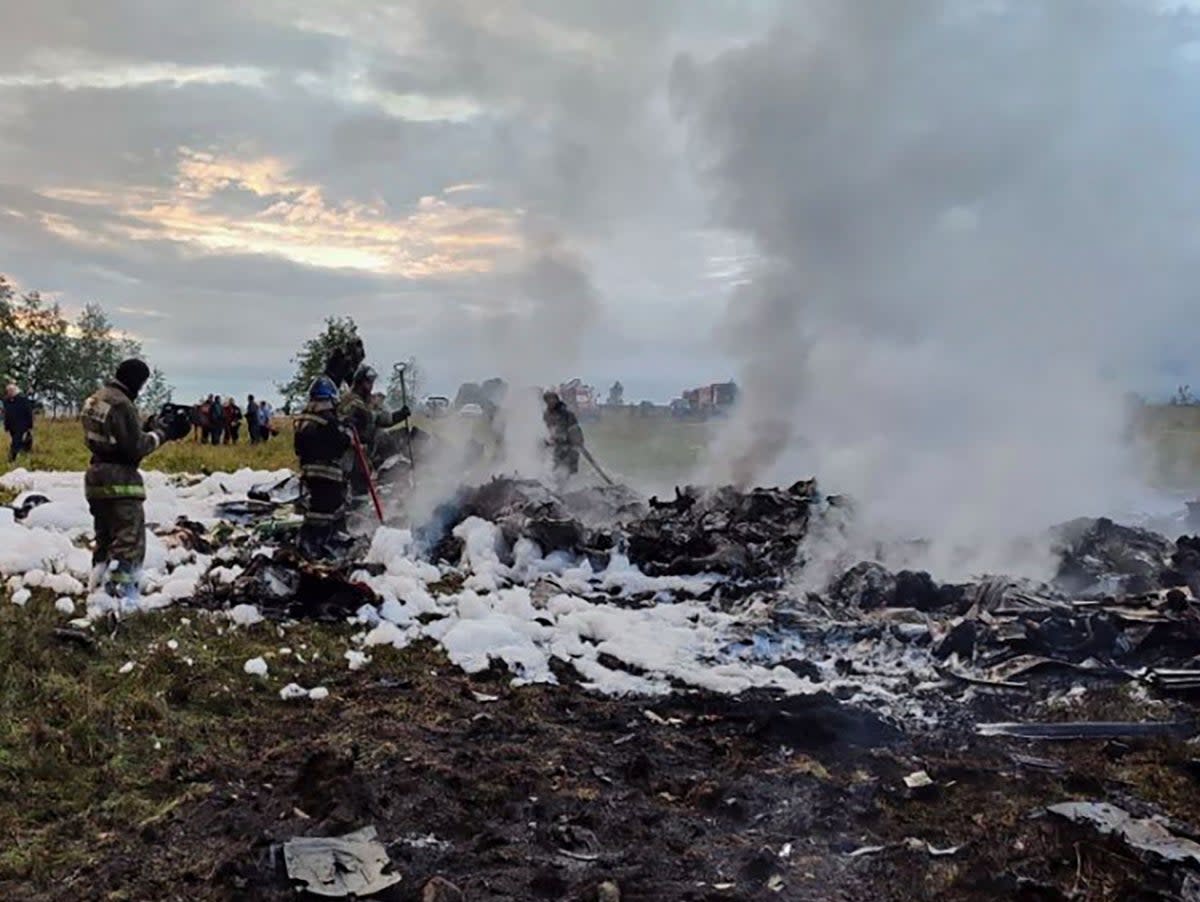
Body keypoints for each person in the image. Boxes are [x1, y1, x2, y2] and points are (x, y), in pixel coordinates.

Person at [81, 359, 188, 604]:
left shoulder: (95, 399)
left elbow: (114, 435)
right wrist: (163, 433)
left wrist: (146, 426)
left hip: (95, 477)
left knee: (105, 537)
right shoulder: (122, 404)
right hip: (120, 481)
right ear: (138, 381)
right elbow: (134, 447)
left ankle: (97, 588)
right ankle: (120, 596)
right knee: (129, 539)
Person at [294, 338, 365, 558]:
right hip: (328, 473)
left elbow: (299, 447)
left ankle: (313, 540)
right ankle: (317, 543)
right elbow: (340, 442)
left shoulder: (306, 416)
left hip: (308, 471)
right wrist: (347, 431)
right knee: (327, 510)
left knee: (317, 509)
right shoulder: (329, 419)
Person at [339, 365, 410, 499]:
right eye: (368, 382)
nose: (370, 386)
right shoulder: (350, 400)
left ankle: (357, 514)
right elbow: (347, 421)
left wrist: (400, 415)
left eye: (371, 382)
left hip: (363, 456)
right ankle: (351, 515)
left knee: (361, 489)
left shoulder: (367, 403)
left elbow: (380, 418)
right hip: (349, 454)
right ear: (360, 382)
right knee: (352, 489)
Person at [543, 391, 584, 482]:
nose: (550, 402)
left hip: (569, 449)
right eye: (548, 400)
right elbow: (546, 431)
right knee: (555, 472)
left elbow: (575, 433)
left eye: (553, 399)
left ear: (557, 400)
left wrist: (561, 438)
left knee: (565, 473)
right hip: (556, 449)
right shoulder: (546, 415)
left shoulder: (567, 415)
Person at [3, 383, 34, 462]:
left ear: (15, 391)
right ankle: (22, 453)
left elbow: (28, 413)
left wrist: (30, 425)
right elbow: (7, 414)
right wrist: (6, 426)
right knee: (17, 441)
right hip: (11, 426)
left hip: (22, 425)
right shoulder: (6, 401)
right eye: (8, 391)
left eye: (11, 390)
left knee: (16, 442)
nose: (10, 392)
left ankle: (11, 459)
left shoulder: (23, 400)